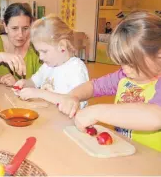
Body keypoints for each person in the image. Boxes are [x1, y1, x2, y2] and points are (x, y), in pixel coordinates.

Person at [58, 11, 161, 152]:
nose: (125, 69)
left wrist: (97, 111)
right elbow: (93, 86)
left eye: (131, 63)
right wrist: (73, 96)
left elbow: (155, 117)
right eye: (122, 63)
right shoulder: (123, 76)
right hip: (126, 151)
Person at [13, 15, 89, 108]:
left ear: (62, 46)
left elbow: (74, 102)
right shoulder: (47, 66)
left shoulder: (76, 68)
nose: (40, 57)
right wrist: (25, 83)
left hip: (67, 122)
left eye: (44, 51)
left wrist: (40, 93)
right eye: (38, 52)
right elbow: (34, 82)